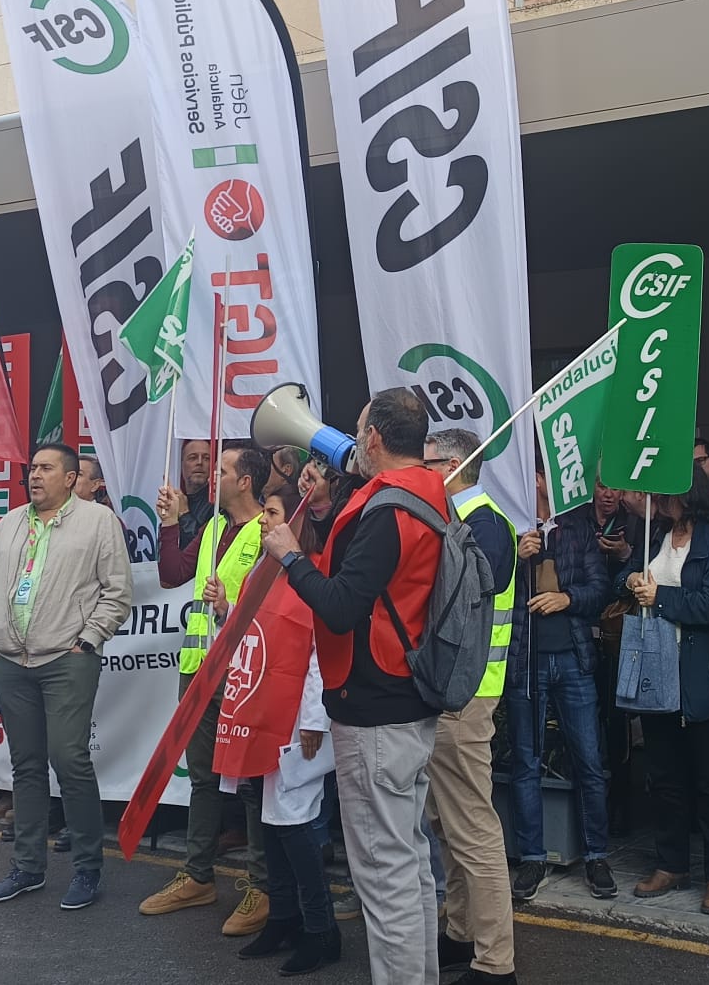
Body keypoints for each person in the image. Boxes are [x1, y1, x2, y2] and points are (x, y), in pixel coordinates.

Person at [262, 388, 449, 985]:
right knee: (409, 865)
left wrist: (292, 557)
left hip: (373, 713)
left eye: (358, 430)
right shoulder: (424, 494)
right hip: (404, 702)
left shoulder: (388, 514)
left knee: (383, 876)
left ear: (372, 439)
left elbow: (341, 607)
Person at [0, 442, 133, 911]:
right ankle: (27, 868)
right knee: (25, 765)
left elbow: (118, 590)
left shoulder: (98, 521)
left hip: (66, 659)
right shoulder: (10, 522)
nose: (35, 476)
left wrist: (87, 640)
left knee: (69, 759)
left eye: (46, 469)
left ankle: (87, 869)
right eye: (32, 469)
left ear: (69, 478)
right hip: (10, 662)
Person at [139, 442, 272, 931]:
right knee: (202, 779)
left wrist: (229, 608)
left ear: (245, 481)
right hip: (199, 667)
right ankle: (198, 877)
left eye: (221, 470)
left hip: (243, 672)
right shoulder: (215, 525)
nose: (209, 476)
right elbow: (173, 574)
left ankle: (262, 887)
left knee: (254, 784)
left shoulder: (268, 531)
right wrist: (172, 521)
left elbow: (277, 607)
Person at [420, 428, 517, 985]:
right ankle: (461, 932)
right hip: (459, 690)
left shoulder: (482, 525)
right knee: (449, 821)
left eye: (429, 462)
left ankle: (494, 961)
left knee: (472, 827)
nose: (421, 471)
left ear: (454, 465)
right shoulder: (470, 522)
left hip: (467, 693)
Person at [621, 465, 709, 915]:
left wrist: (662, 599)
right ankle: (671, 864)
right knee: (664, 777)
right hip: (657, 673)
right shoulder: (655, 534)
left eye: (664, 492)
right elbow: (629, 578)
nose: (656, 499)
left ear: (684, 494)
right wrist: (632, 582)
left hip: (699, 676)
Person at [240, 476, 345, 976]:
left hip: (297, 721)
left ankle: (322, 930)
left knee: (297, 823)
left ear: (297, 523)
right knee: (271, 820)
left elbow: (322, 653)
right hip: (263, 713)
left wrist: (314, 718)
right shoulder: (262, 573)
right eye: (263, 511)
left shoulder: (314, 573)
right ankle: (284, 917)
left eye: (274, 513)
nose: (263, 521)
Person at [505, 472, 616, 904]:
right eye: (531, 472)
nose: (535, 480)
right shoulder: (509, 524)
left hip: (572, 658)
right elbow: (485, 584)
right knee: (526, 762)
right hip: (524, 660)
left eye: (540, 473)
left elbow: (600, 588)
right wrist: (515, 558)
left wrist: (567, 598)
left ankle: (596, 855)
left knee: (588, 759)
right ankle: (532, 857)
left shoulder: (577, 526)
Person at [156, 439, 216, 585]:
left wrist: (184, 514)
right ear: (182, 464)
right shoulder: (173, 501)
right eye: (193, 457)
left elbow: (203, 551)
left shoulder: (218, 503)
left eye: (206, 458)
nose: (200, 463)